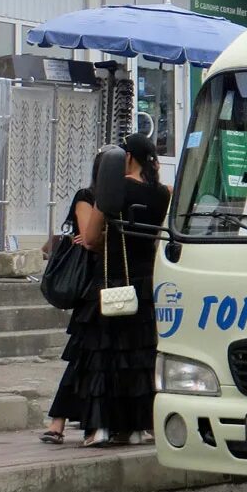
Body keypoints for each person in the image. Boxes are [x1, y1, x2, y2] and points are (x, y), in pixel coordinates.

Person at [74, 134, 171, 447]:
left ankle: (100, 426)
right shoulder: (163, 194)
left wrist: (110, 240)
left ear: (126, 157)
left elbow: (89, 238)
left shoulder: (112, 191)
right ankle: (142, 426)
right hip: (146, 282)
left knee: (105, 354)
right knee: (141, 355)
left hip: (113, 278)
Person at [38, 152, 105, 444]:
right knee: (80, 355)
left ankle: (65, 423)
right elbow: (90, 239)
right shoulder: (87, 196)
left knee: (91, 359)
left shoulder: (123, 200)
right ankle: (59, 422)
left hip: (108, 283)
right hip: (90, 288)